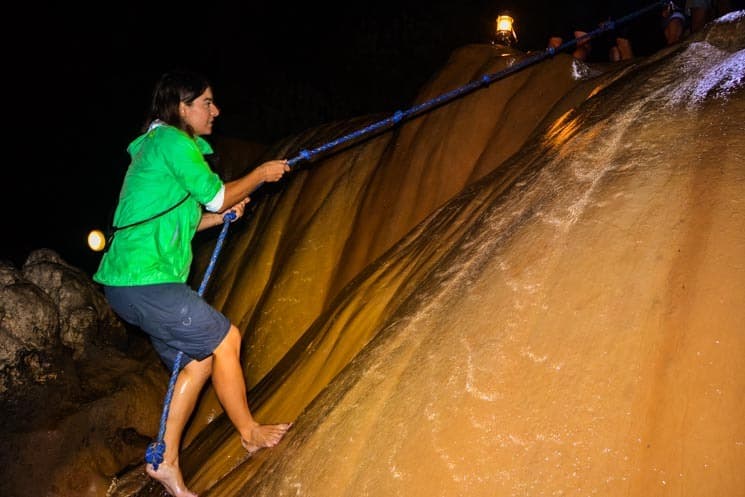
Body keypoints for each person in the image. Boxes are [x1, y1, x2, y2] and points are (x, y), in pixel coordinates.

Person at [93, 70, 292, 497]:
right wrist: (258, 175)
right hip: (144, 279)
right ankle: (249, 432)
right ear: (182, 107)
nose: (215, 111)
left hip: (131, 283)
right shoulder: (172, 142)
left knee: (197, 362)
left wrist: (221, 218)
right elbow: (218, 195)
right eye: (206, 102)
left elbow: (188, 220)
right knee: (226, 338)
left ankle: (165, 462)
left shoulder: (160, 150)